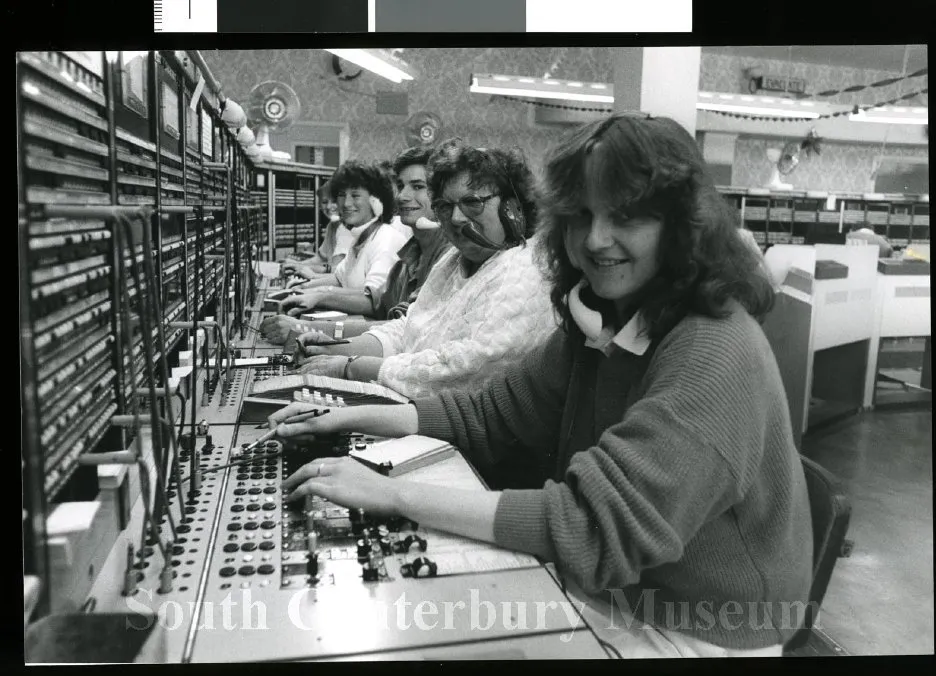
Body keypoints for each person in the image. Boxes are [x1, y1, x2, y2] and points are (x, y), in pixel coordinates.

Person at [274, 114, 814, 657]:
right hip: (618, 590)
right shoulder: (605, 316)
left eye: (625, 216)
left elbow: (591, 528)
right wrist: (351, 413)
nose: (597, 239)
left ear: (683, 224)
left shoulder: (714, 349)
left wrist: (392, 494)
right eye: (581, 215)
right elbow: (492, 414)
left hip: (697, 626)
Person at [285, 138, 557, 403]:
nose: (457, 218)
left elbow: (464, 369)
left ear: (513, 207)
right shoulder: (456, 259)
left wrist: (351, 366)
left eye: (473, 202)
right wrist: (339, 348)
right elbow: (411, 328)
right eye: (445, 206)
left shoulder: (525, 271)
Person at [260, 161, 409, 344]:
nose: (346, 203)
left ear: (376, 201)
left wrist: (321, 296)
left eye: (355, 195)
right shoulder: (361, 237)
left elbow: (373, 302)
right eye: (341, 195)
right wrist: (305, 289)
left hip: (369, 339)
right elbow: (339, 277)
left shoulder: (385, 240)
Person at [371, 147, 453, 320]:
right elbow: (379, 310)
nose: (402, 196)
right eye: (401, 186)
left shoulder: (453, 258)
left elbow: (405, 329)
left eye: (417, 186)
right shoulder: (405, 262)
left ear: (444, 195)